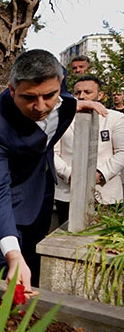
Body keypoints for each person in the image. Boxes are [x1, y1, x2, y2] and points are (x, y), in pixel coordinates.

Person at [0, 50, 106, 290]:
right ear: (11, 90)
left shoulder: (60, 85)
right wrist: (12, 255)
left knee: (35, 252)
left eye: (49, 95)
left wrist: (75, 104)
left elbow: (58, 96)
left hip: (42, 183)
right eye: (28, 97)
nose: (40, 107)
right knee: (9, 260)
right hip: (10, 189)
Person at [54, 75, 124, 224]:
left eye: (87, 92)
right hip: (68, 193)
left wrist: (100, 175)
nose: (82, 96)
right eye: (77, 93)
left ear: (100, 95)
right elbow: (53, 154)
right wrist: (70, 175)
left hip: (106, 194)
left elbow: (122, 152)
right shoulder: (61, 118)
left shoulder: (115, 118)